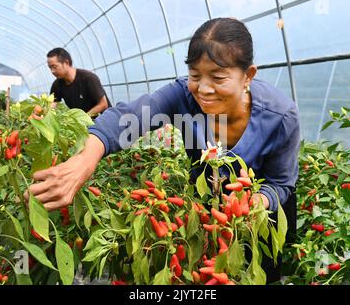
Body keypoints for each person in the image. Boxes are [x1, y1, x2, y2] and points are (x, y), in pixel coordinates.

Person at [29, 18, 300, 283]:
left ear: (248, 75)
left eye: (218, 77)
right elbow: (128, 117)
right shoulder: (183, 94)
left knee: (260, 272)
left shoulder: (280, 115)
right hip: (211, 202)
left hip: (264, 214)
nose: (203, 89)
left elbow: (279, 182)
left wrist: (255, 203)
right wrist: (86, 159)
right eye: (195, 75)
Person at [47, 47, 112, 117]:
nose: (52, 71)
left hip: (104, 119)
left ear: (66, 62)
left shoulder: (88, 78)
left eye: (54, 67)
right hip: (83, 123)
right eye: (50, 68)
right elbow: (52, 104)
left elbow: (103, 104)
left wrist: (82, 119)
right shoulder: (57, 85)